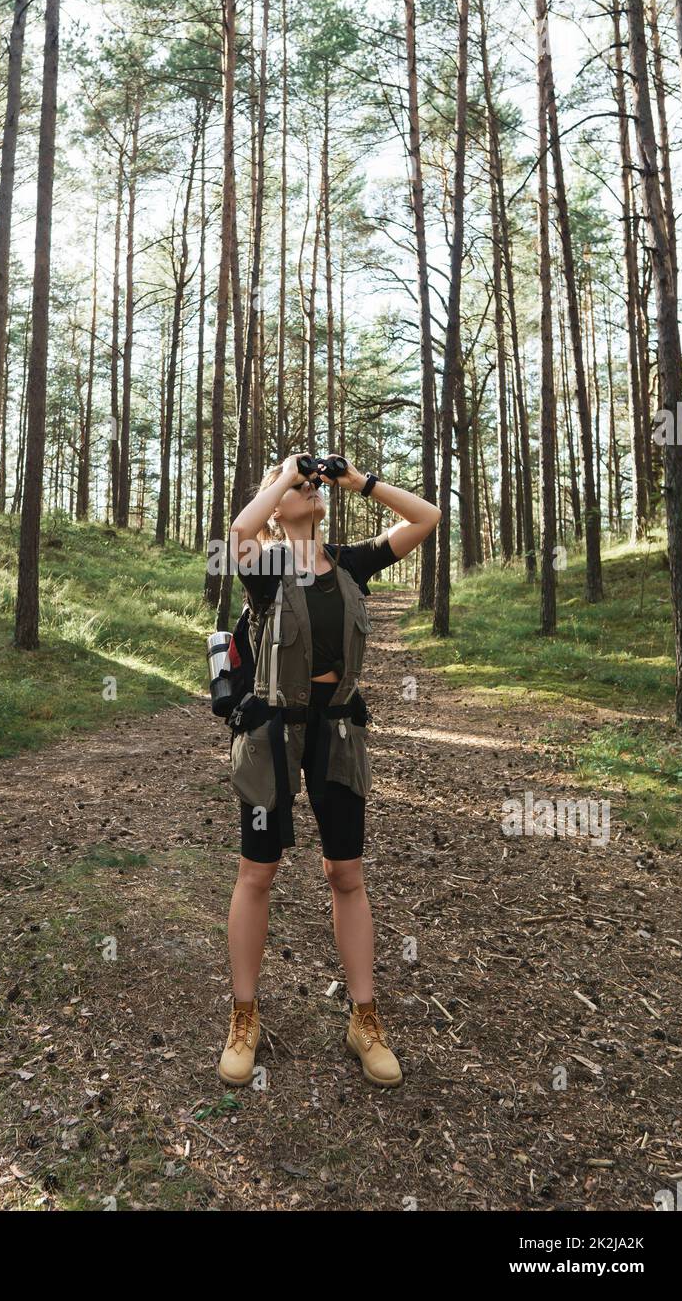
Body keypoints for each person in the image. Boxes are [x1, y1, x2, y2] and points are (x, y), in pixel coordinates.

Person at [218, 452, 441, 1088]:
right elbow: (236, 537)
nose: (312, 491)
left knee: (346, 871)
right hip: (272, 735)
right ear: (278, 500)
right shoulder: (264, 566)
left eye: (316, 486)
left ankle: (364, 1018)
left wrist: (359, 482)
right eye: (300, 487)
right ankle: (244, 1015)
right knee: (256, 871)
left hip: (337, 731)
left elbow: (427, 518)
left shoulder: (349, 562)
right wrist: (283, 474)